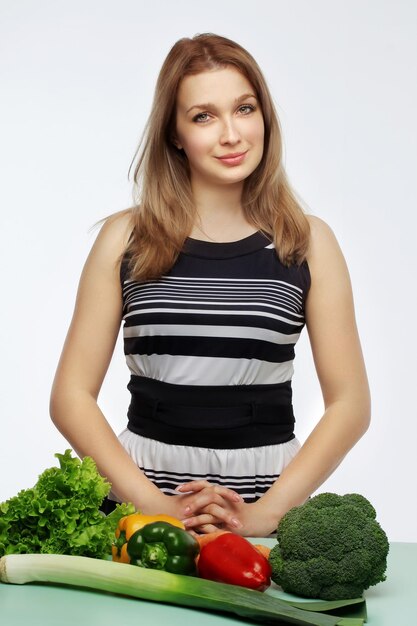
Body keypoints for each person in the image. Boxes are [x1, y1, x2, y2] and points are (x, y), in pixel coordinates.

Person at [49, 33, 371, 537]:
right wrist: (154, 505)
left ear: (265, 116)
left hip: (267, 505)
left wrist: (267, 513)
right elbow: (70, 395)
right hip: (139, 511)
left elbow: (350, 404)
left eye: (244, 109)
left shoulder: (308, 242)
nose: (231, 134)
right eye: (203, 116)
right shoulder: (124, 237)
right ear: (175, 133)